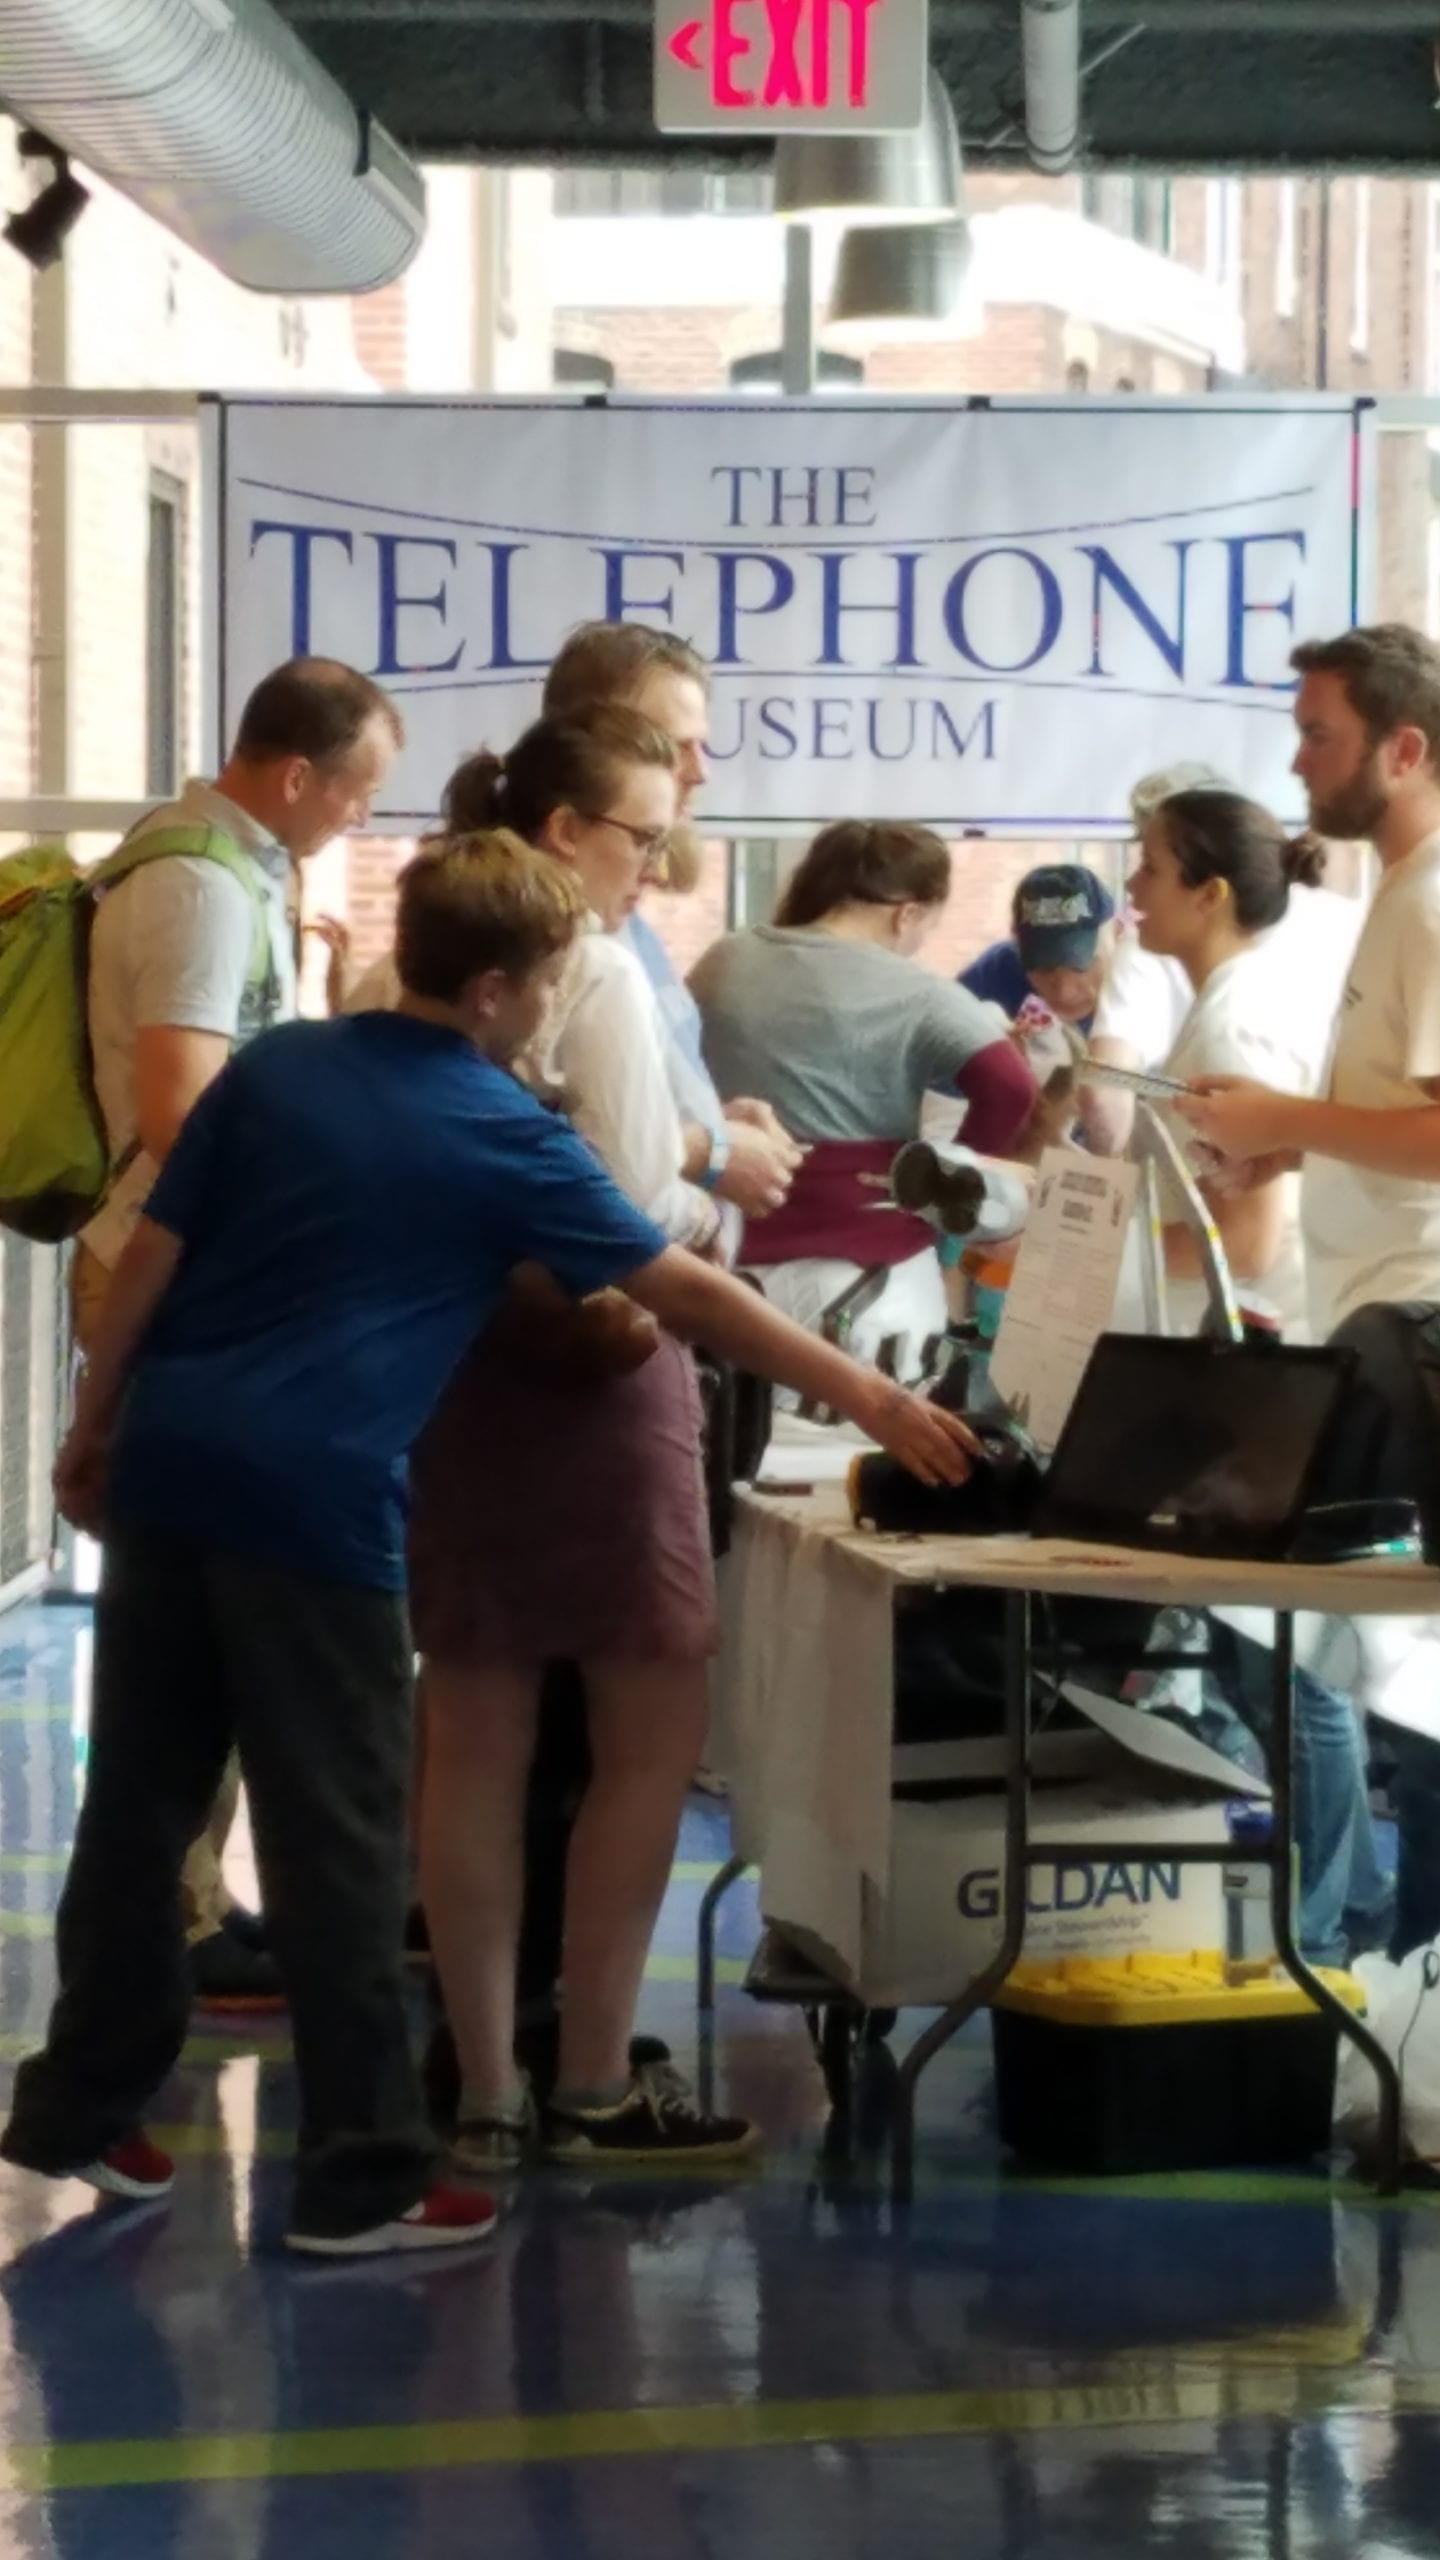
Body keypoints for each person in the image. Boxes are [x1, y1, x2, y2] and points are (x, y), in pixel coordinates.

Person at [0, 831, 973, 2254]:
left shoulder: (280, 1068)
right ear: (506, 990)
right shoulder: (493, 1127)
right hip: (314, 1506)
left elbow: (152, 1254)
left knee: (141, 1803)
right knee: (336, 1838)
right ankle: (363, 2176)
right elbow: (688, 1298)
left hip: (170, 1467)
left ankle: (77, 2108)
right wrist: (877, 1398)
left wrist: (93, 1430)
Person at [408, 712, 782, 2172]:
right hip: (597, 1380)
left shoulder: (419, 982)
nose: (660, 855)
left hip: (463, 1378)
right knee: (646, 1738)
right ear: (567, 833)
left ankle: (487, 2084)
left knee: (476, 1739)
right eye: (641, 831)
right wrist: (722, 1184)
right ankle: (590, 2078)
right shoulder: (603, 973)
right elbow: (631, 1222)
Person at [78, 655, 402, 2010]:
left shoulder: (228, 871)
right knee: (180, 1624)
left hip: (195, 1264)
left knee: (190, 1615)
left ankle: (192, 1896)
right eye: (355, 793)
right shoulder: (203, 885)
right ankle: (171, 1914)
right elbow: (181, 1111)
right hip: (171, 1268)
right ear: (293, 775)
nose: (355, 822)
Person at [1180, 623, 1440, 1958]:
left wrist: (1288, 1110)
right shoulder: (1394, 893)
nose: (1297, 757)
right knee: (1382, 1674)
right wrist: (1296, 1133)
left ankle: (1402, 1967)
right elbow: (1400, 1109)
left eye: (1319, 732)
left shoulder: (1438, 893)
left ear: (1405, 747)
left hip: (1424, 1323)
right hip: (1380, 1309)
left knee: (1409, 1685)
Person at [688, 820, 1049, 1375]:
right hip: (871, 1281)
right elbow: (1009, 1084)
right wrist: (943, 1192)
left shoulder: (722, 961)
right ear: (907, 914)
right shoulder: (914, 990)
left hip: (723, 1266)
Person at [542, 619, 802, 1230]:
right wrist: (707, 1156)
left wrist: (708, 1119)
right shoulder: (558, 944)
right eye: (671, 744)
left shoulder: (620, 920)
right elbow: (567, 1159)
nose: (699, 770)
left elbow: (609, 1098)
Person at [1120, 789, 1349, 1339]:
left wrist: (1084, 1247)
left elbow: (1245, 1244)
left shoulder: (1234, 1032)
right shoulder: (1238, 1002)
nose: (1132, 885)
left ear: (1210, 895)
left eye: (1151, 868)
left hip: (1246, 1356)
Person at [961, 863, 1114, 1080]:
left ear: (1116, 935)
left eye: (1081, 967)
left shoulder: (1148, 986)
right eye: (1043, 968)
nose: (1064, 992)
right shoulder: (996, 973)